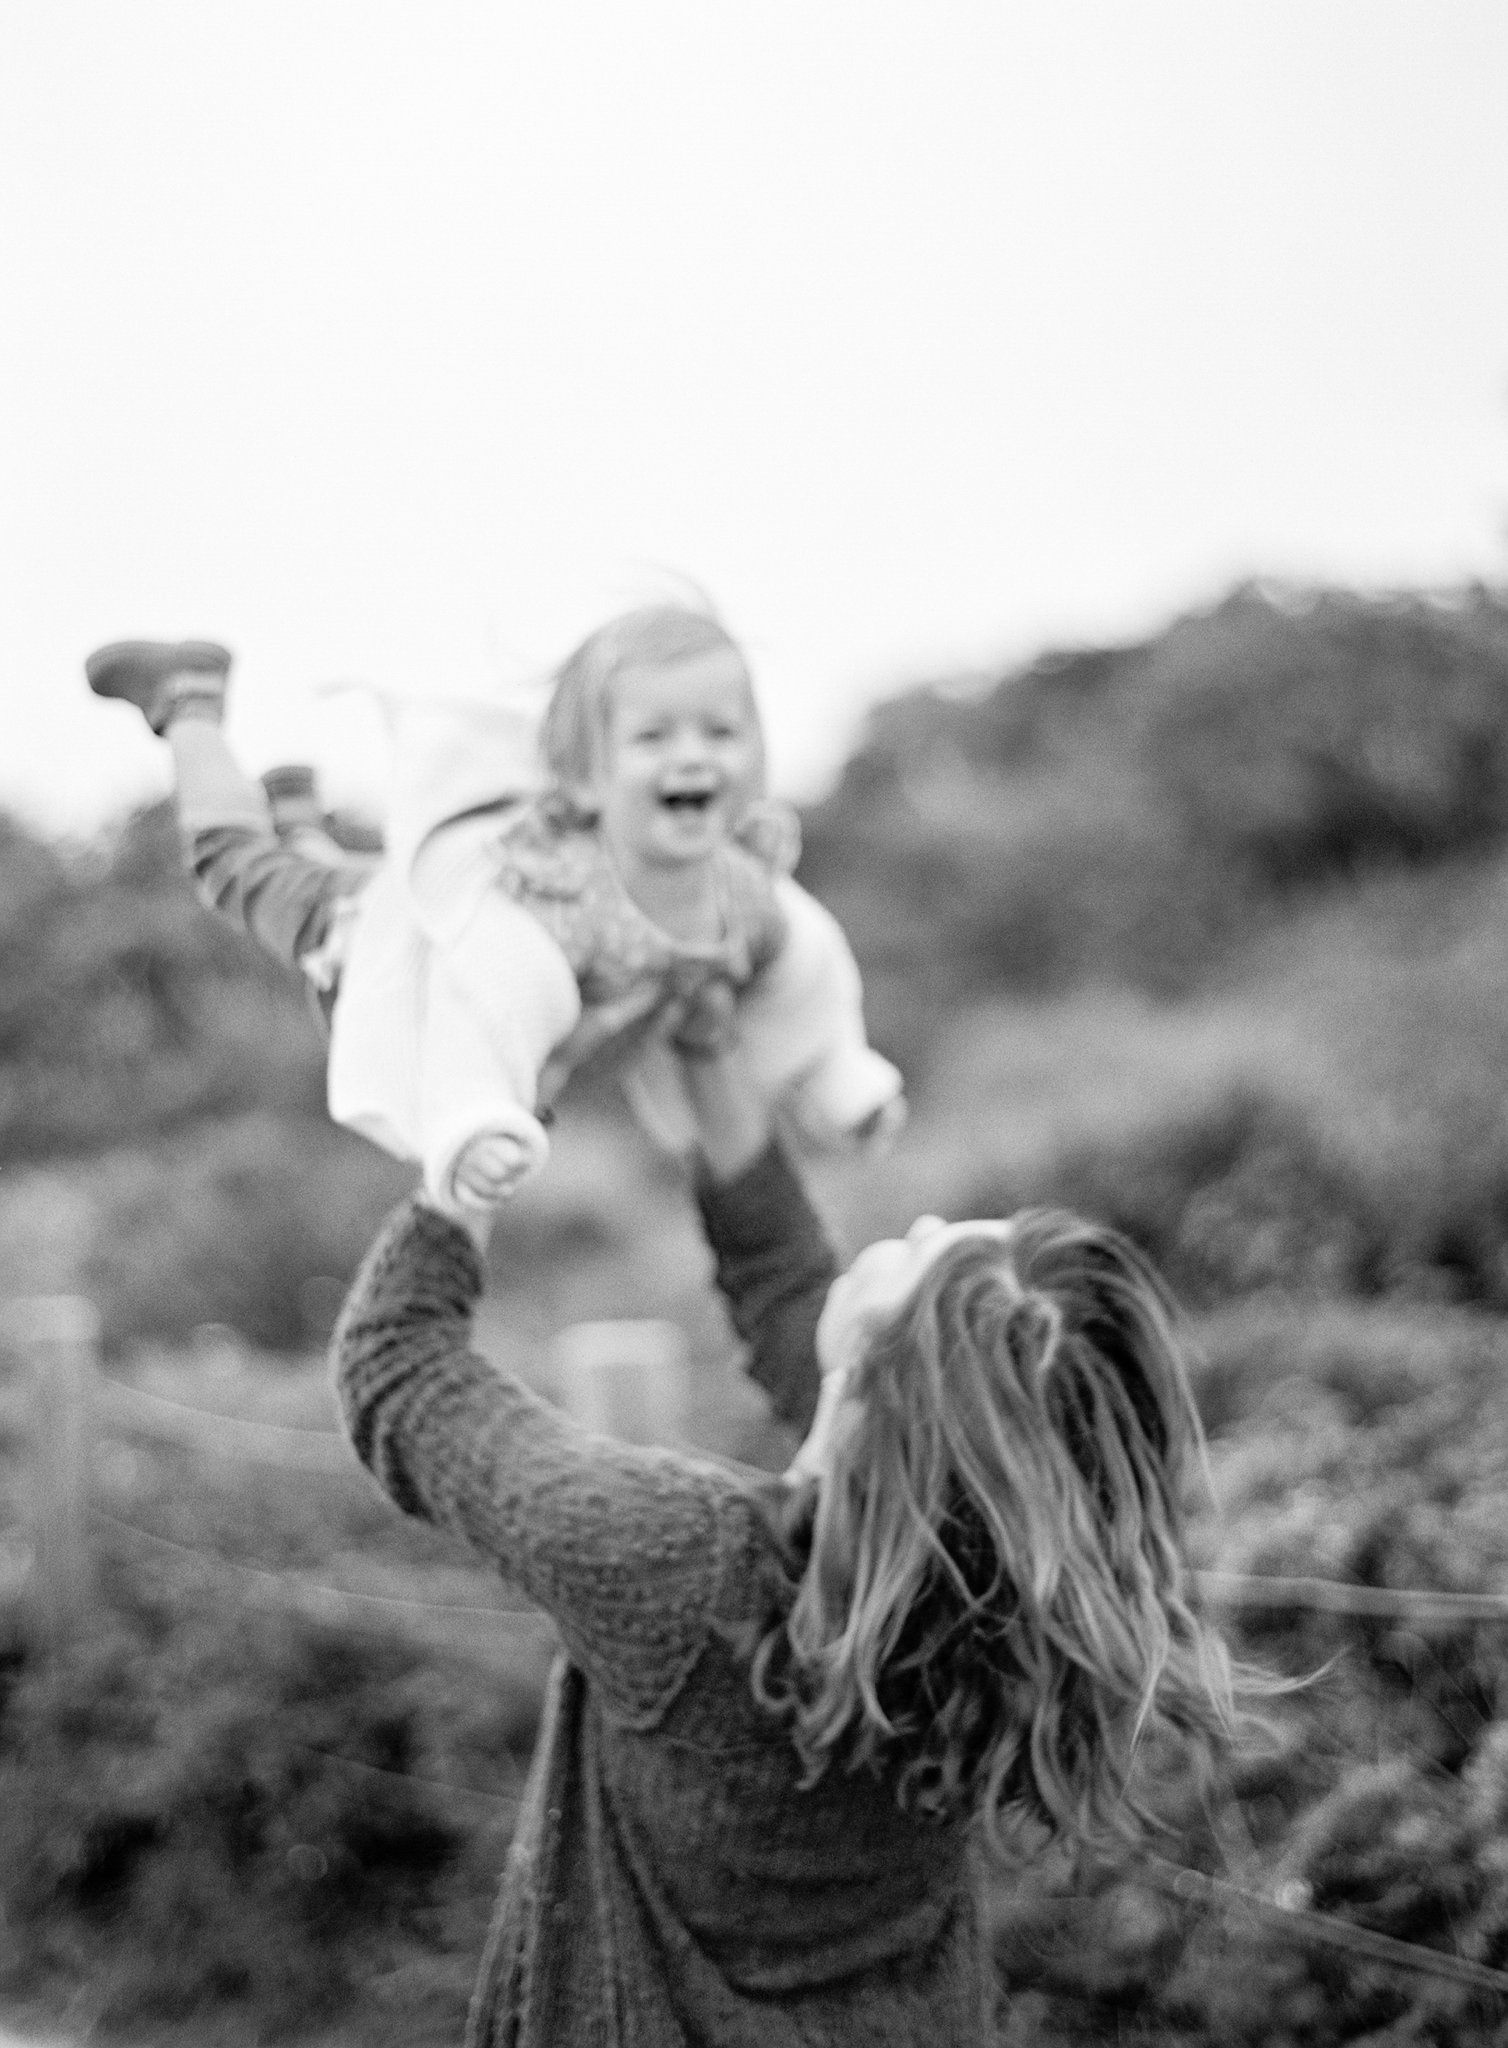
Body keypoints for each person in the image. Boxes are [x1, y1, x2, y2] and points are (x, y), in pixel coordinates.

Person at [329, 1014, 1240, 2047]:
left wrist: (486, 1124)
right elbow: (802, 1303)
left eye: (916, 1247)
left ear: (872, 1374)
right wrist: (706, 1042)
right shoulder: (981, 1599)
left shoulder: (675, 1558)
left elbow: (396, 1368)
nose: (927, 1217)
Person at [85, 612, 904, 1210]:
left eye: (720, 731)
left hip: (440, 907)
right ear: (585, 778)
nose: (693, 753)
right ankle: (190, 703)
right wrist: (476, 1121)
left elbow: (809, 976)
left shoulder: (745, 889)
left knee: (362, 869)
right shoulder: (556, 905)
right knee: (240, 868)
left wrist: (840, 1080)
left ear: (758, 753)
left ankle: (302, 811)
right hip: (383, 948)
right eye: (656, 737)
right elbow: (487, 1008)